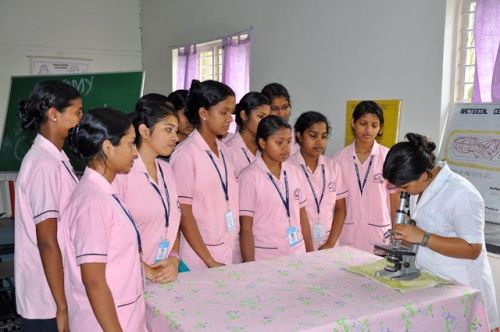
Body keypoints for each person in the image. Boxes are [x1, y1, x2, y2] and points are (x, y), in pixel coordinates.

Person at [383, 133, 499, 330]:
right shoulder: (420, 188)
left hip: (463, 288)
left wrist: (423, 237)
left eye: (405, 186)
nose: (403, 191)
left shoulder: (462, 194)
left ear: (424, 175)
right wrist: (409, 238)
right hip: (434, 284)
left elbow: (472, 249)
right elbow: (432, 229)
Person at [62, 108, 146, 331]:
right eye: (130, 144)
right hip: (104, 323)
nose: (135, 153)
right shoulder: (92, 202)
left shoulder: (104, 192)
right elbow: (94, 280)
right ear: (108, 148)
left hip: (123, 311)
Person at [15, 80, 82, 332]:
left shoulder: (57, 156)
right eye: (77, 112)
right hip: (47, 299)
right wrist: (61, 306)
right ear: (54, 114)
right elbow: (46, 240)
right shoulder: (44, 164)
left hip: (56, 290)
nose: (80, 120)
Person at [170, 80, 240, 271]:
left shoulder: (225, 151)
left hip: (226, 249)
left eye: (231, 113)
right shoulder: (186, 154)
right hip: (199, 257)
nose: (230, 119)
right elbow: (184, 213)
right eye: (223, 112)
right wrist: (208, 260)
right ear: (203, 113)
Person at [113, 101, 181, 282]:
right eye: (168, 130)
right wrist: (144, 269)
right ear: (144, 131)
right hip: (129, 276)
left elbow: (173, 222)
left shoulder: (167, 171)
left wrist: (174, 259)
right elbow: (113, 234)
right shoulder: (122, 173)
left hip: (162, 274)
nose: (176, 137)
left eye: (176, 131)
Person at [239, 115, 313, 261]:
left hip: (297, 252)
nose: (286, 148)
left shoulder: (295, 172)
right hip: (266, 256)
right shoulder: (249, 176)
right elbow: (246, 228)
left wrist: (311, 255)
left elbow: (303, 217)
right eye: (279, 142)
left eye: (289, 142)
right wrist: (249, 265)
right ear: (262, 142)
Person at [331, 100, 399, 252]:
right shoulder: (337, 160)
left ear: (380, 128)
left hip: (380, 236)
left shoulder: (388, 157)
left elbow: (395, 200)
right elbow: (334, 205)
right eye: (363, 123)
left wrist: (397, 233)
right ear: (353, 123)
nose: (368, 130)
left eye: (374, 125)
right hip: (347, 236)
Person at [289, 111, 347, 250]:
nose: (319, 142)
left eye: (324, 136)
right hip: (300, 245)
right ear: (299, 136)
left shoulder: (333, 167)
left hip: (329, 244)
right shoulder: (288, 167)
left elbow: (340, 209)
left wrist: (330, 244)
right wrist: (309, 250)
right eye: (313, 136)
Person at [225, 92, 271, 176]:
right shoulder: (229, 151)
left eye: (268, 117)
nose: (265, 122)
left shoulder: (267, 149)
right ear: (244, 115)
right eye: (260, 116)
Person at [261, 82, 299, 154]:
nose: (281, 113)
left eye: (285, 107)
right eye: (274, 108)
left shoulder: (298, 138)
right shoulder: (258, 139)